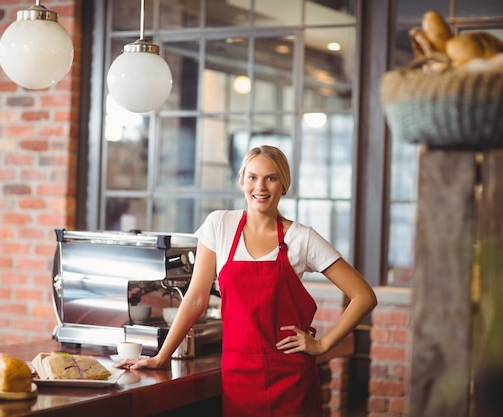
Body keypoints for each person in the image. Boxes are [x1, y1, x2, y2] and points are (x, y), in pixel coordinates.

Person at [115, 145, 378, 417]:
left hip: (291, 378)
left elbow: (364, 296)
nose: (260, 187)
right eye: (252, 177)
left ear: (284, 185)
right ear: (242, 181)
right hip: (238, 374)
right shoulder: (220, 225)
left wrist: (323, 344)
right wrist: (161, 357)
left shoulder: (302, 238)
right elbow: (194, 299)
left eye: (271, 178)